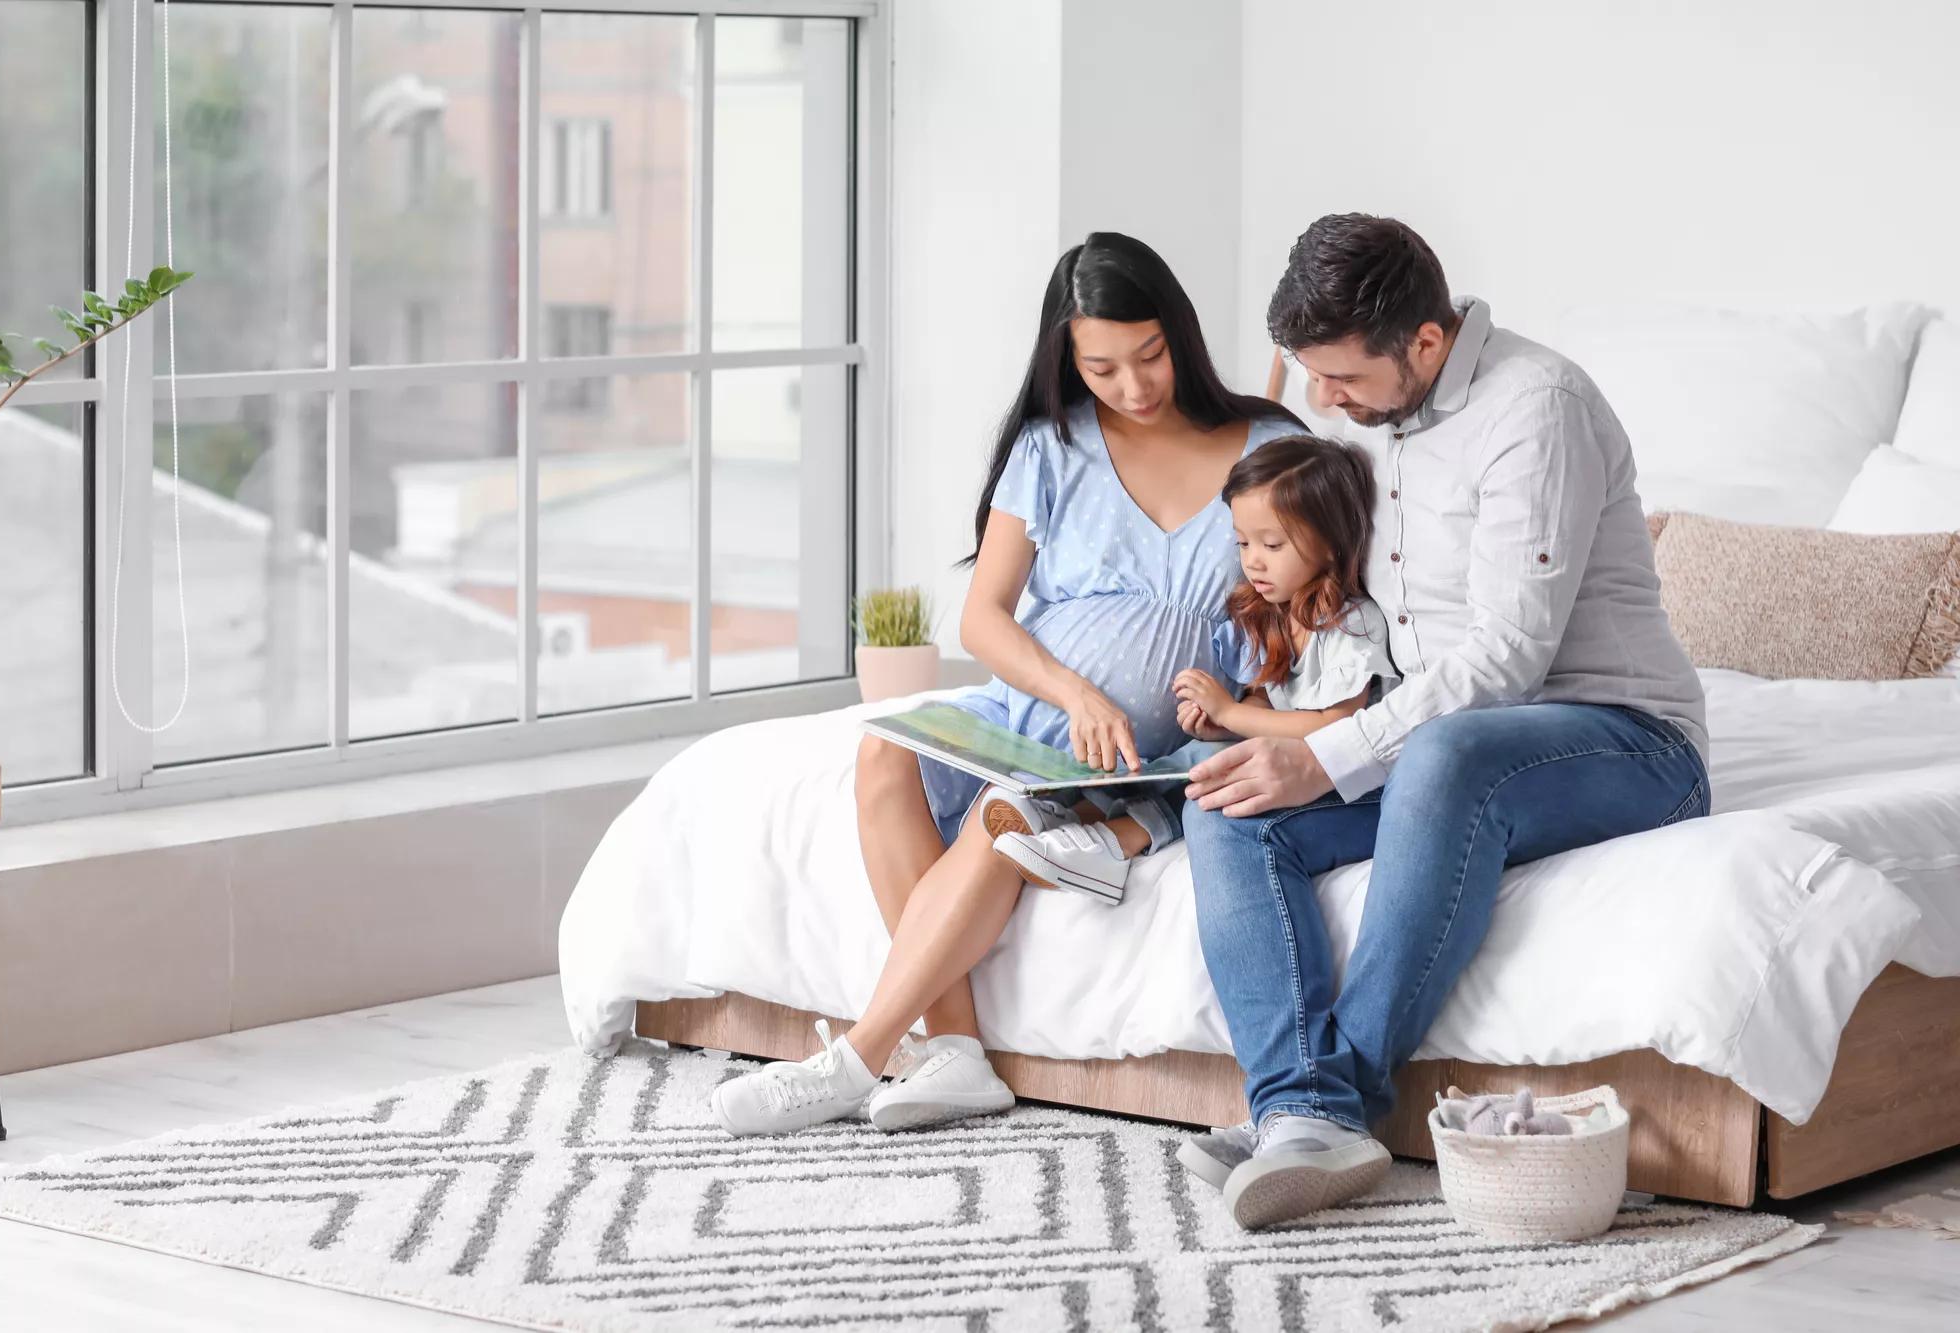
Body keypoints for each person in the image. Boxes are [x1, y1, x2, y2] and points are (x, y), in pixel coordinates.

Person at [1181, 214, 1710, 1230]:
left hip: (1621, 738)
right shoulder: (1367, 411)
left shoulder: (1533, 407)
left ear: (1425, 343)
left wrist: (1329, 755)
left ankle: (1340, 1095)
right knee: (1226, 803)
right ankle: (1298, 1110)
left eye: (1339, 378)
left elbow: (1506, 660)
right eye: (1309, 374)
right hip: (1432, 737)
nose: (1321, 402)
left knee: (1442, 751)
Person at [711, 232, 1299, 1137]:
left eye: (1150, 356)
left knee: (1002, 809)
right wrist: (1073, 691)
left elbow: (1307, 605)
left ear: (1179, 332)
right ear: (1066, 359)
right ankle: (955, 1049)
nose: (1135, 388)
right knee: (882, 757)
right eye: (1102, 368)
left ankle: (858, 1054)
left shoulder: (1269, 442)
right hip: (1040, 710)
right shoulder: (1051, 444)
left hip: (1159, 746)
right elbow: (983, 617)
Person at [992, 434, 1400, 901]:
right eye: (1244, 544)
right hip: (1283, 752)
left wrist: (1230, 715)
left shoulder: (1352, 625)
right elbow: (1268, 697)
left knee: (1211, 771)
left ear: (1330, 545)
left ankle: (1118, 843)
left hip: (1336, 773)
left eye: (1272, 544)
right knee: (1188, 758)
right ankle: (1072, 817)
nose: (1253, 562)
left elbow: (1336, 725)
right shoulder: (1277, 613)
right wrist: (1217, 726)